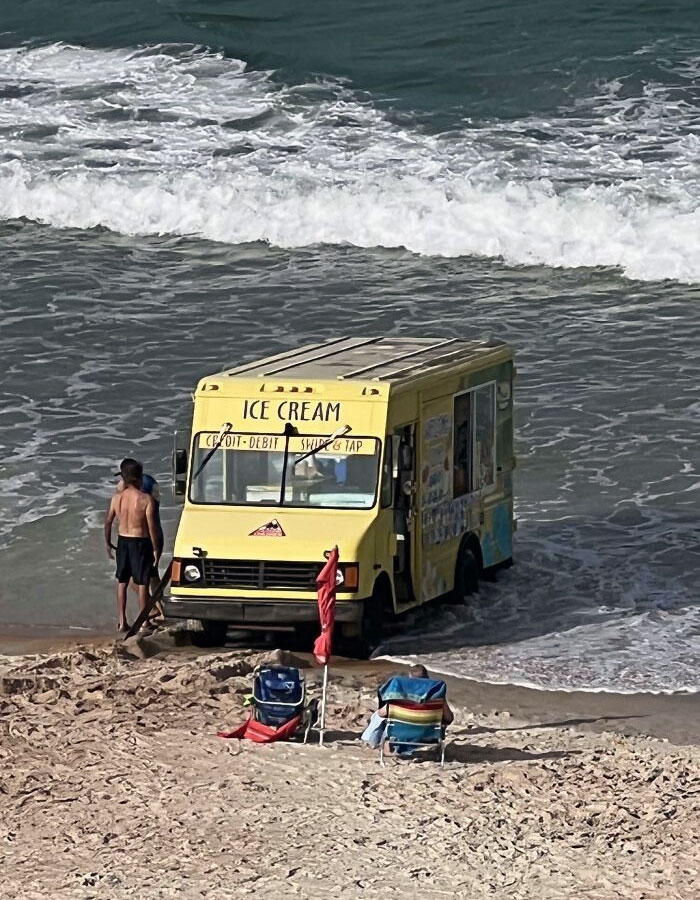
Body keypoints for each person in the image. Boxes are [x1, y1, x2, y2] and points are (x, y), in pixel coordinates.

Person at [104, 458, 160, 632]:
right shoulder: (146, 500)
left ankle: (122, 622)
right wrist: (156, 549)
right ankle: (144, 621)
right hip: (140, 542)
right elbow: (152, 527)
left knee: (122, 582)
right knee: (143, 582)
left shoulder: (117, 498)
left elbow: (108, 522)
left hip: (123, 540)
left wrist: (108, 542)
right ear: (140, 477)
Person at [361, 664, 454, 750]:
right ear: (427, 678)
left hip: (399, 735)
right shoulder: (436, 695)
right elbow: (449, 718)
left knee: (378, 716)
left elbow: (381, 714)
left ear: (409, 678)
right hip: (430, 736)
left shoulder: (399, 697)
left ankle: (371, 741)